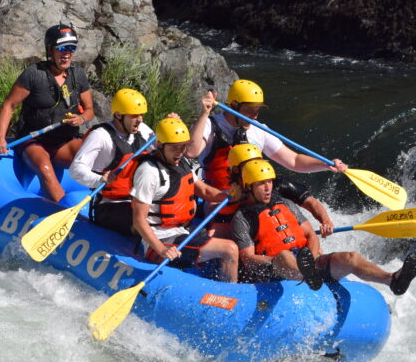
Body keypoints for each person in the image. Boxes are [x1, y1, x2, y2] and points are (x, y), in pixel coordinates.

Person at [232, 159, 416, 294]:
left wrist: (314, 258)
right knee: (284, 256)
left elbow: (310, 235)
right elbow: (248, 259)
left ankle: (392, 279)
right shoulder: (242, 217)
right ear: (249, 186)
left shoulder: (285, 204)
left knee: (351, 257)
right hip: (275, 268)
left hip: (306, 262)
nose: (267, 188)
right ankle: (307, 275)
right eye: (261, 184)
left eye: (269, 182)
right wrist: (274, 261)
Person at [187, 80, 349, 195]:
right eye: (250, 109)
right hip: (219, 198)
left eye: (258, 109)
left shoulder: (259, 129)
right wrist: (205, 113)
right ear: (234, 105)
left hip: (252, 198)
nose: (254, 115)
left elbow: (294, 161)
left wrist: (326, 165)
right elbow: (192, 152)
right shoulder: (209, 125)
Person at [130, 117, 240, 283]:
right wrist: (161, 249)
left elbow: (202, 190)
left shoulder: (182, 163)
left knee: (222, 234)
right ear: (160, 144)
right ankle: (228, 297)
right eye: (174, 147)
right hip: (162, 241)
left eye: (183, 146)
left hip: (182, 232)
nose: (180, 152)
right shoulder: (148, 173)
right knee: (230, 249)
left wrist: (228, 196)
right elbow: (139, 220)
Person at [0, 23, 94, 202]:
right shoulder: (34, 74)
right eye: (62, 48)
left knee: (95, 158)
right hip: (34, 140)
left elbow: (89, 111)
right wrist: (1, 138)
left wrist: (81, 119)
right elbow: (9, 105)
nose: (67, 53)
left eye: (71, 48)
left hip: (63, 141)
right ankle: (65, 215)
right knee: (44, 167)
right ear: (50, 50)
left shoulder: (77, 74)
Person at [69, 88, 155, 236]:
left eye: (141, 115)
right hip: (109, 206)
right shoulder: (100, 136)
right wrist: (100, 179)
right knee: (143, 219)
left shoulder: (143, 131)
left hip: (137, 200)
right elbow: (75, 169)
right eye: (134, 115)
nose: (139, 119)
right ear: (118, 115)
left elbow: (164, 152)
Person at [208, 142, 335, 240]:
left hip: (283, 235)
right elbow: (216, 227)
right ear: (236, 170)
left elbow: (311, 203)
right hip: (252, 242)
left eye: (258, 161)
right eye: (249, 164)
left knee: (312, 243)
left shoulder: (277, 183)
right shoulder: (230, 192)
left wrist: (326, 221)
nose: (256, 166)